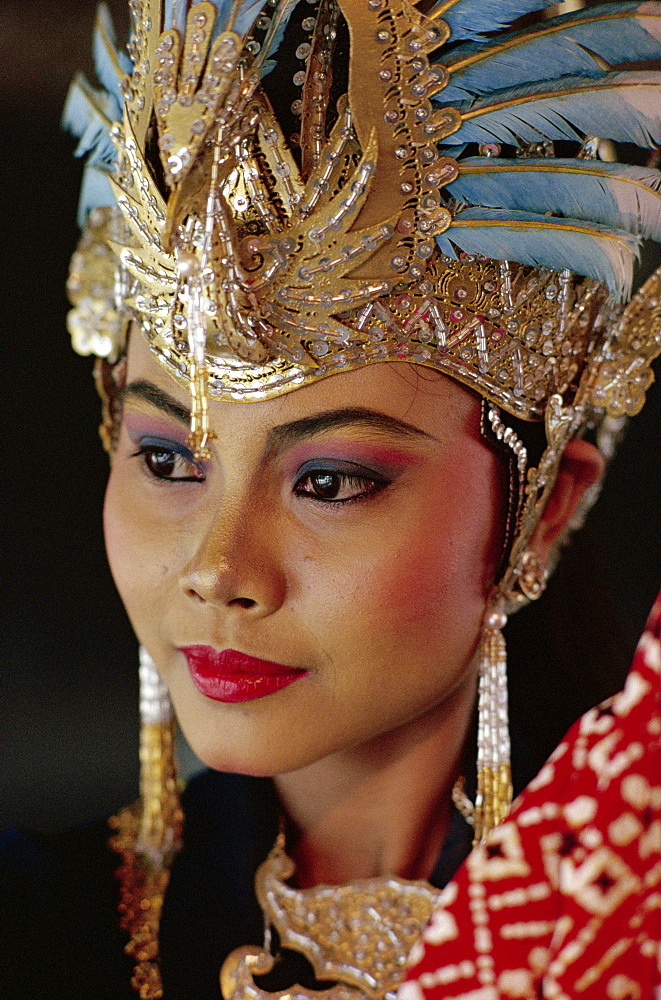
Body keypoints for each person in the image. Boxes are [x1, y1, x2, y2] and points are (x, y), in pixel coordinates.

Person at [1, 0, 659, 998]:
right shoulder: (33, 935)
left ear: (547, 506)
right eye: (170, 460)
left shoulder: (619, 922)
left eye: (329, 481)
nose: (220, 569)